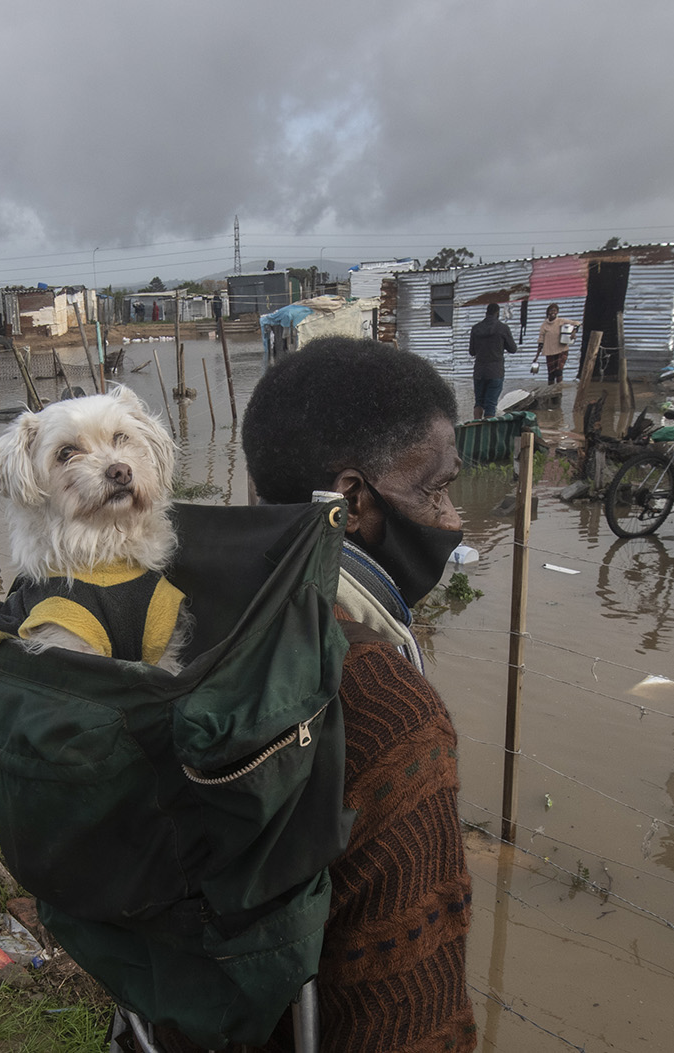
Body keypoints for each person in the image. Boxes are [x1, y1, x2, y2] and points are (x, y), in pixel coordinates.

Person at [232, 336, 478, 1053]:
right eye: (433, 488)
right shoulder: (389, 711)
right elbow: (413, 1009)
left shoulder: (186, 614)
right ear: (352, 499)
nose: (452, 516)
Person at [466, 302, 516, 418]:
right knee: (491, 405)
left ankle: (475, 430)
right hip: (495, 371)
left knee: (478, 403)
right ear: (497, 313)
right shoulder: (503, 328)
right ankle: (488, 434)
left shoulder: (476, 328)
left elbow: (472, 352)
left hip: (479, 371)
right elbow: (512, 349)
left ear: (486, 313)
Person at [536, 302, 579, 385]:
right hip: (549, 352)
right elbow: (541, 340)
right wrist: (536, 357)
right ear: (548, 312)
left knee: (559, 371)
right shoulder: (544, 325)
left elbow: (577, 323)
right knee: (551, 374)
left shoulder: (561, 321)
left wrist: (574, 332)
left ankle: (559, 391)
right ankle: (550, 393)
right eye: (551, 310)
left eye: (555, 311)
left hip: (561, 350)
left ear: (557, 312)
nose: (553, 312)